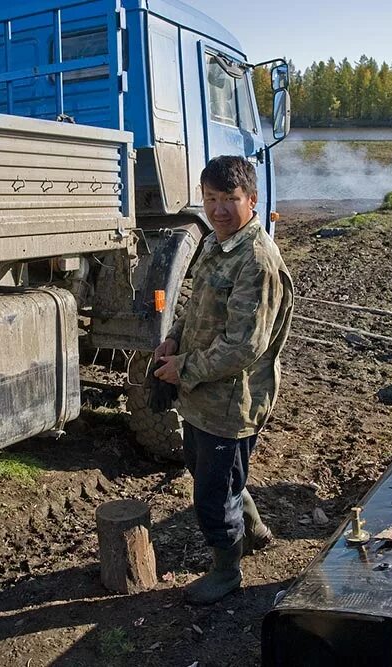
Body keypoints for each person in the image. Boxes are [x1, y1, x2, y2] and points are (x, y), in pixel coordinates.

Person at [153, 155, 293, 605]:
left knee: (213, 496)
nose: (217, 209)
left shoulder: (254, 259)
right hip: (202, 393)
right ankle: (252, 530)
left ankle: (227, 570)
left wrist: (184, 369)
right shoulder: (218, 243)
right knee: (209, 473)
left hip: (232, 400)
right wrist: (172, 341)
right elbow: (196, 308)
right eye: (210, 198)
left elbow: (244, 347)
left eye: (229, 199)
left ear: (252, 200)